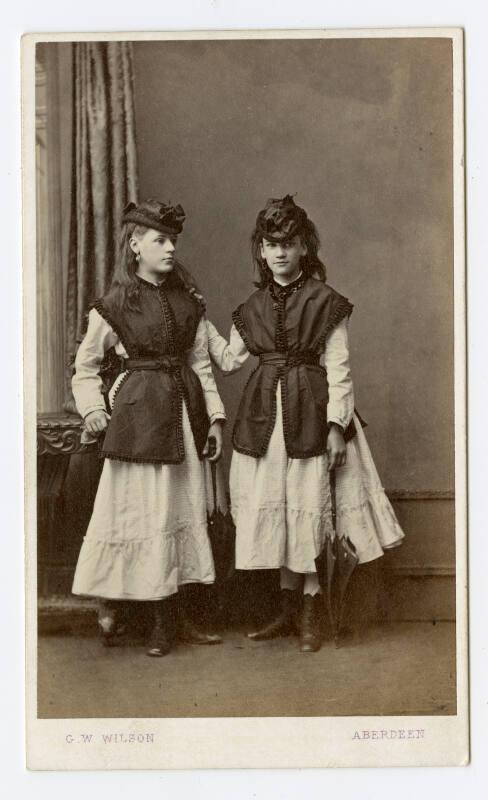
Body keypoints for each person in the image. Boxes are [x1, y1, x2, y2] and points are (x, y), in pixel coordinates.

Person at [206, 194, 405, 653]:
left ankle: (313, 607)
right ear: (260, 250)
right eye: (270, 244)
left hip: (313, 412)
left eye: (289, 243)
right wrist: (199, 321)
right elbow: (231, 360)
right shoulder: (251, 306)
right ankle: (287, 607)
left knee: (308, 503)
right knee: (277, 501)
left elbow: (340, 368)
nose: (279, 252)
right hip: (266, 417)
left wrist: (337, 426)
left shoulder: (326, 301)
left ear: (303, 249)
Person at [71, 199, 225, 657]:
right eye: (160, 240)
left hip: (183, 413)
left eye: (173, 240)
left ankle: (178, 616)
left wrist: (214, 420)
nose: (170, 248)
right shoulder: (113, 305)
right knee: (146, 512)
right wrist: (93, 410)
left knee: (180, 509)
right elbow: (85, 367)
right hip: (137, 419)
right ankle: (153, 618)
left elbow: (202, 366)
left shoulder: (187, 304)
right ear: (135, 245)